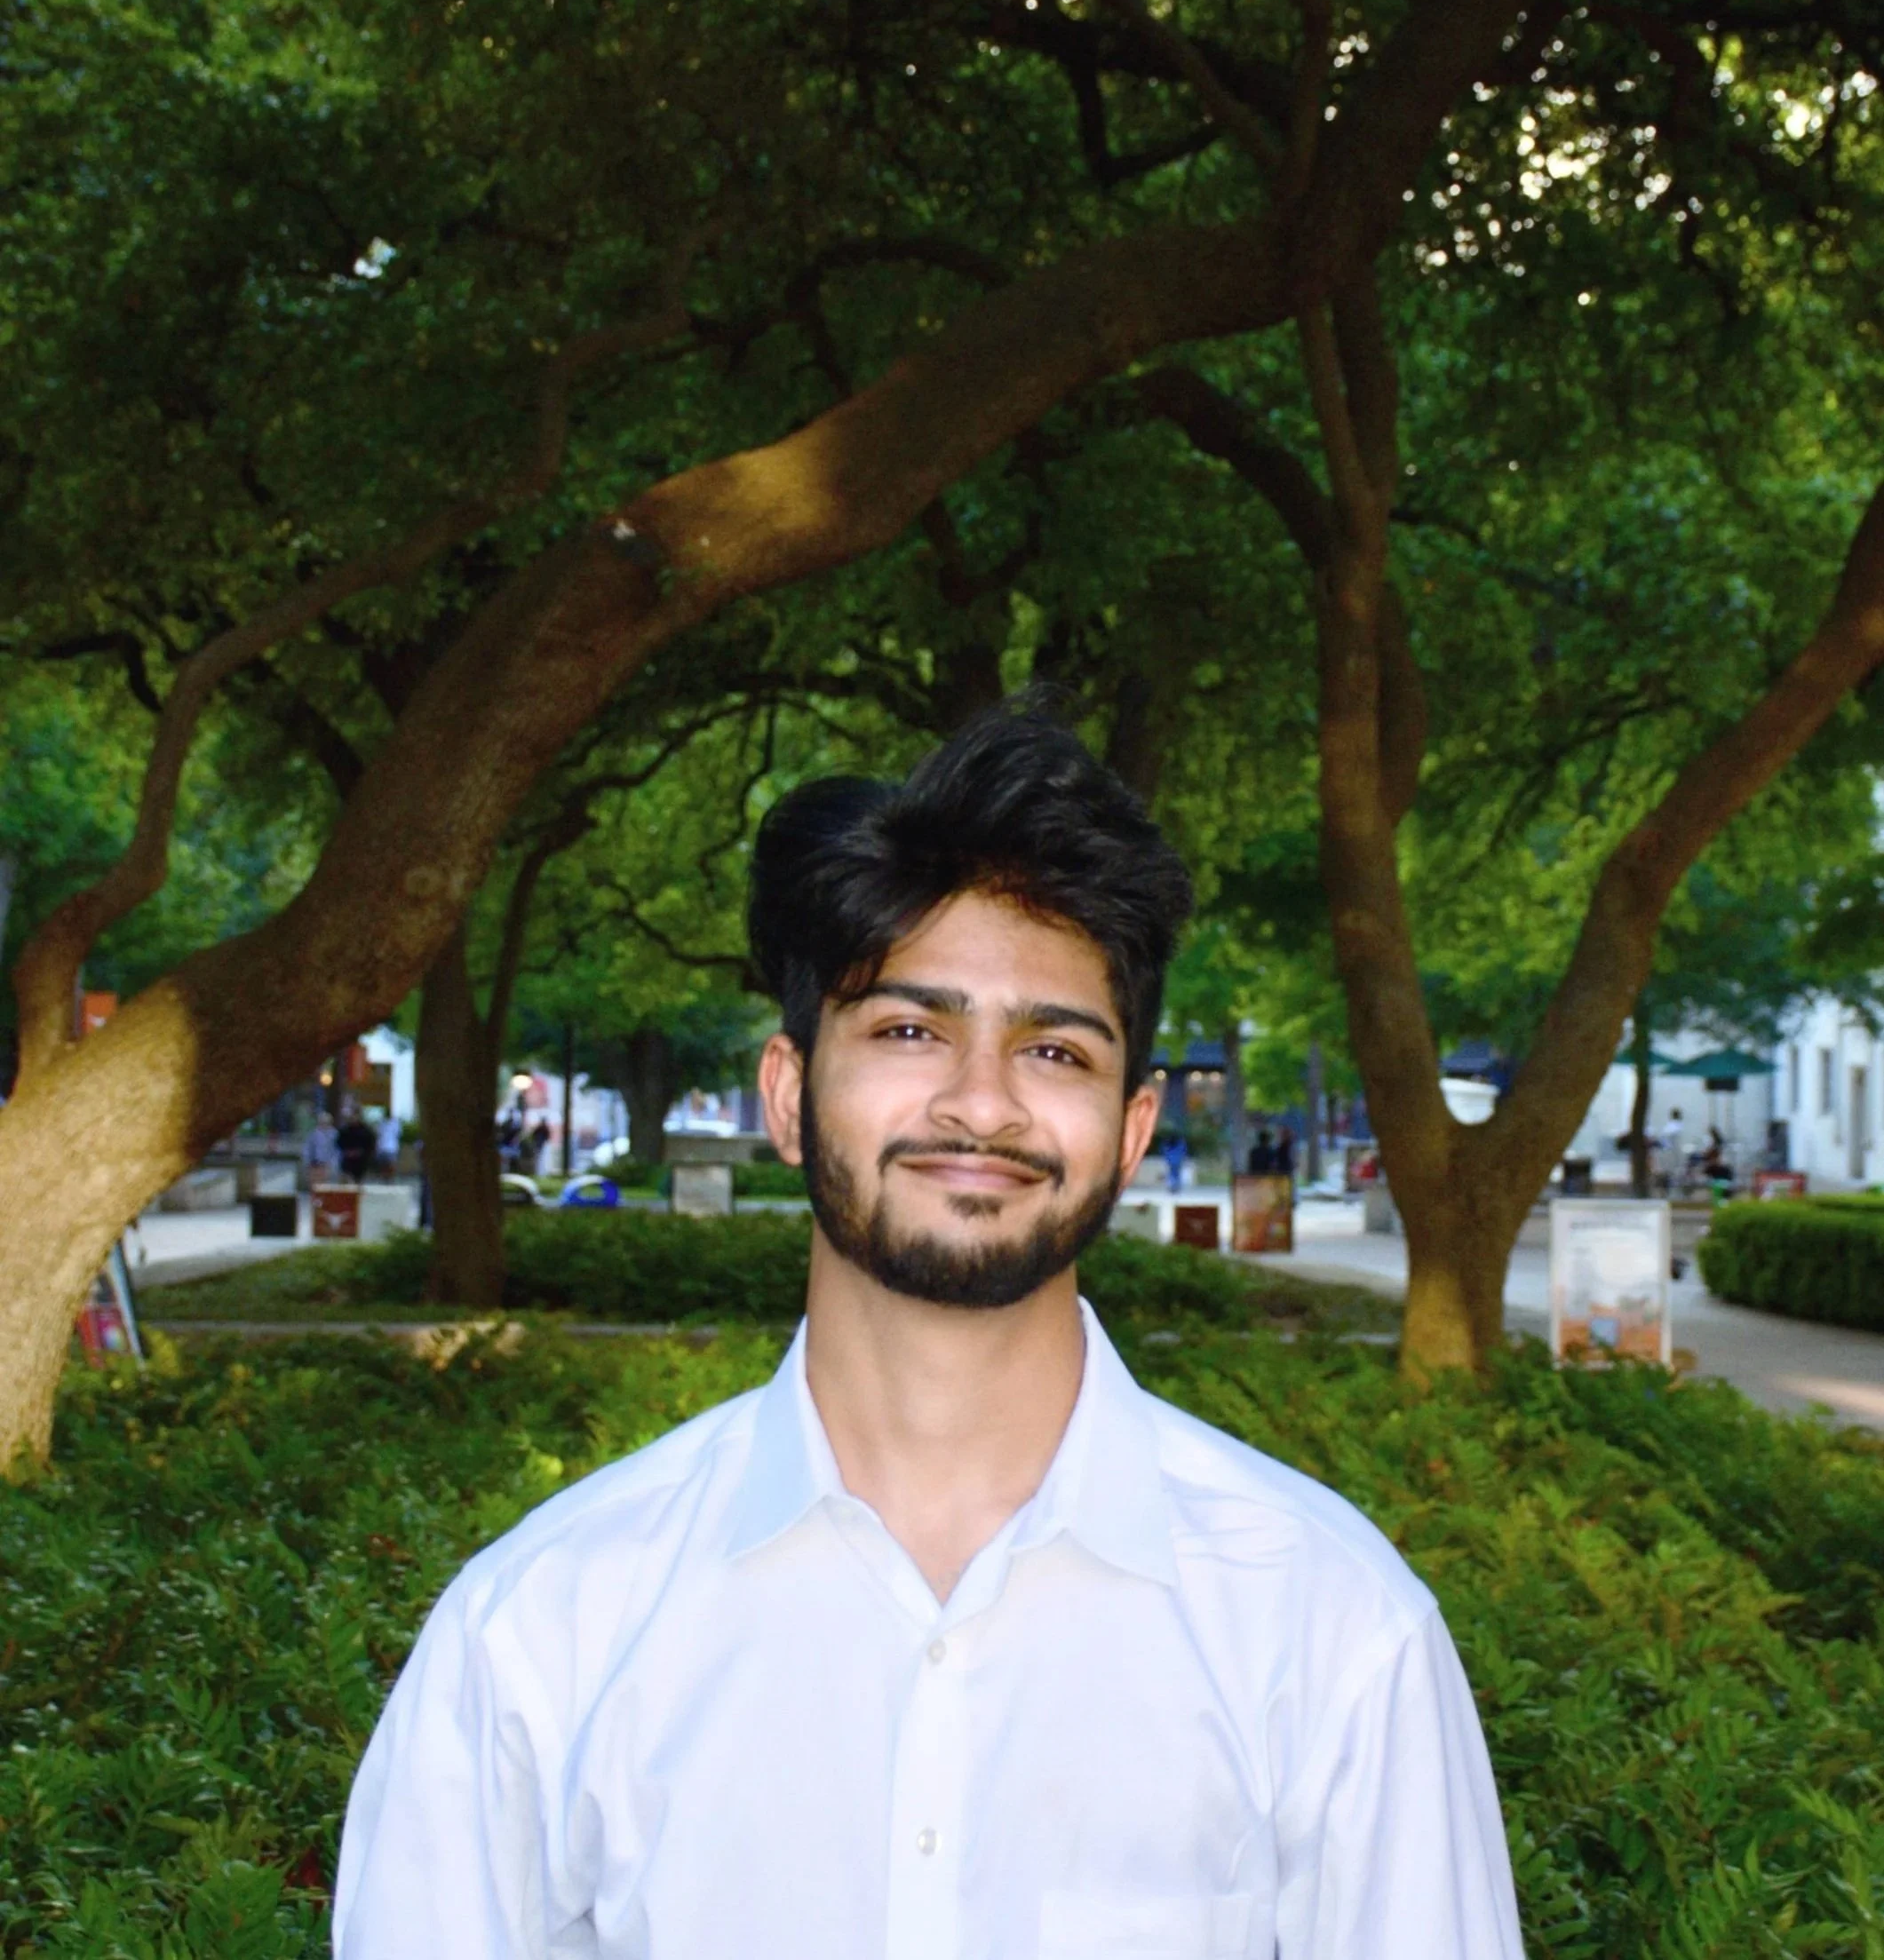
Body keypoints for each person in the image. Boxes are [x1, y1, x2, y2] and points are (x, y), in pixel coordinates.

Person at [334, 705, 1523, 1960]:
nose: (980, 1104)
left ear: (1128, 1129)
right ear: (789, 1096)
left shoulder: (1331, 1631)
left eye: (1055, 1050)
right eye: (909, 1031)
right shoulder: (543, 1628)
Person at [337, 1107, 376, 1187]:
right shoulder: (345, 1130)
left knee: (358, 1184)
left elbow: (370, 1145)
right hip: (348, 1161)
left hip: (361, 1162)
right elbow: (339, 1143)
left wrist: (361, 1152)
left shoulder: (366, 1131)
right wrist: (347, 1152)